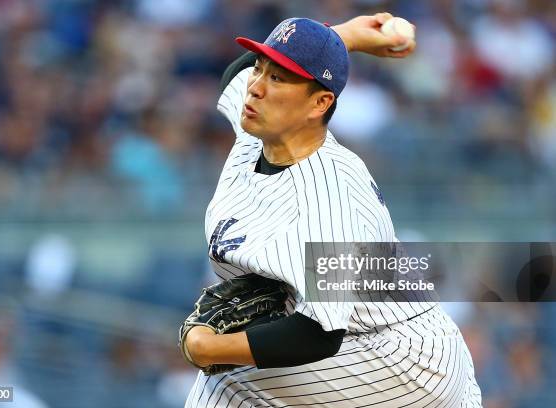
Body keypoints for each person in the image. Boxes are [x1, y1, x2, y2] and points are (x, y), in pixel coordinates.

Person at [182, 13, 482, 407]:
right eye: (261, 68)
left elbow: (318, 333)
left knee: (224, 386)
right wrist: (342, 38)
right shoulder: (263, 128)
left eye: (277, 78)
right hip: (367, 341)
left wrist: (209, 349)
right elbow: (234, 79)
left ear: (320, 103)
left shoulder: (328, 197)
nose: (256, 87)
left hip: (400, 360)